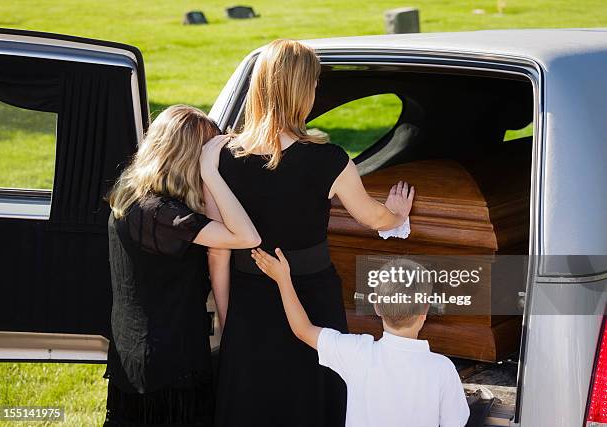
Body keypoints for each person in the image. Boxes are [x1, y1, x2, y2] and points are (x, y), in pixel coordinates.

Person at [210, 39, 414, 427]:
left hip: (247, 299)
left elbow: (217, 252)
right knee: (312, 399)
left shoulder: (223, 157)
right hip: (313, 296)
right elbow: (372, 218)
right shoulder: (330, 159)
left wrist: (227, 317)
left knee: (254, 404)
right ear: (302, 91)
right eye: (314, 84)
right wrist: (396, 214)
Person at [103, 105, 260, 426]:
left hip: (137, 355)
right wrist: (212, 174)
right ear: (189, 157)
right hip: (169, 366)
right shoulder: (162, 215)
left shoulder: (136, 197)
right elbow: (246, 236)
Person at [252, 250, 471, 427]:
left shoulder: (358, 352)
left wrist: (283, 280)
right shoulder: (442, 369)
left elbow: (302, 330)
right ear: (425, 311)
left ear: (376, 306)